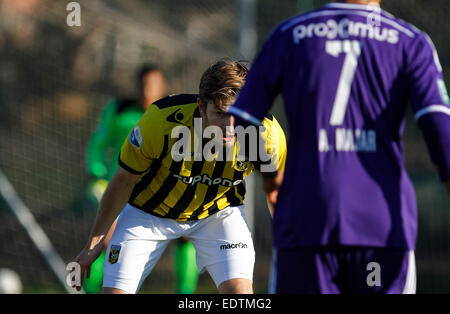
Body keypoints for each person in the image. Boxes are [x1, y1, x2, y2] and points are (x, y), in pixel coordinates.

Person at [228, 0, 450, 294]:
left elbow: (242, 120)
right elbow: (438, 126)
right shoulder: (409, 40)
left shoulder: (290, 34)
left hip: (306, 216)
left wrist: (271, 177)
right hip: (381, 224)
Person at [71, 59, 287, 294]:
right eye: (220, 114)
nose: (230, 127)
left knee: (240, 294)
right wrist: (93, 244)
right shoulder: (162, 120)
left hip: (218, 214)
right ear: (201, 107)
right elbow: (125, 179)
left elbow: (277, 194)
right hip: (148, 214)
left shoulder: (268, 137)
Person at [83, 64, 199, 294]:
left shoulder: (173, 112)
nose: (148, 90)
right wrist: (96, 176)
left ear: (163, 87)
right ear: (137, 86)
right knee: (106, 240)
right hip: (121, 189)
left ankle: (186, 294)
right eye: (145, 85)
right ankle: (89, 289)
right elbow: (98, 143)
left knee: (186, 237)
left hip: (162, 191)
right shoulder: (119, 110)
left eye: (154, 85)